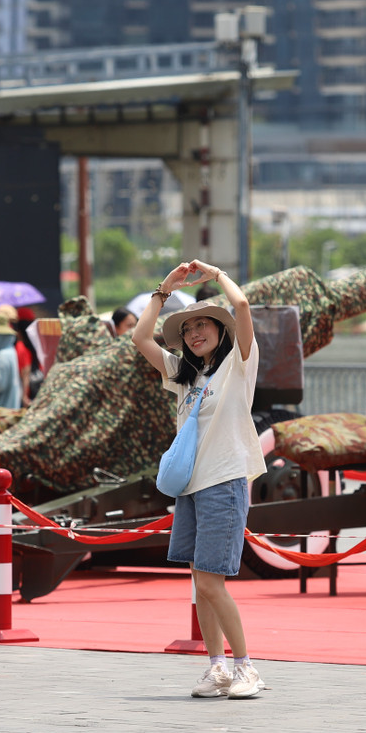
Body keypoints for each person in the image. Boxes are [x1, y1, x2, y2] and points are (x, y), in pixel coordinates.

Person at [131, 260, 266, 699]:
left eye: (204, 325)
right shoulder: (186, 376)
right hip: (190, 486)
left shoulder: (238, 367)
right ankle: (217, 669)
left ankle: (247, 667)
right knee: (199, 580)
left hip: (224, 482)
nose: (195, 333)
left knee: (210, 581)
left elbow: (242, 304)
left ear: (221, 332)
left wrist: (217, 273)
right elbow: (138, 338)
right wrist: (164, 290)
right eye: (189, 330)